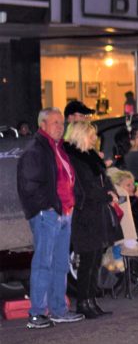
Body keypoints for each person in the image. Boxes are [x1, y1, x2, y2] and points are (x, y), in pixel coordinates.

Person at [16, 108, 85, 328]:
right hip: (48, 214)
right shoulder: (36, 151)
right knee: (43, 264)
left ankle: (58, 310)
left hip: (64, 213)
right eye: (55, 122)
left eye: (61, 123)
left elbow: (69, 179)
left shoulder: (59, 149)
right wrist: (49, 207)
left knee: (60, 264)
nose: (60, 126)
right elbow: (29, 186)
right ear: (43, 125)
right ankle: (37, 313)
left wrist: (75, 200)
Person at [64, 121, 120, 318]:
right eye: (91, 135)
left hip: (97, 212)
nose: (95, 139)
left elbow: (102, 180)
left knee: (96, 259)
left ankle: (91, 300)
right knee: (88, 260)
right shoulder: (76, 159)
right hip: (86, 213)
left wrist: (110, 192)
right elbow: (86, 188)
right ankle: (84, 302)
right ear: (81, 136)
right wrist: (106, 196)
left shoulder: (89, 157)